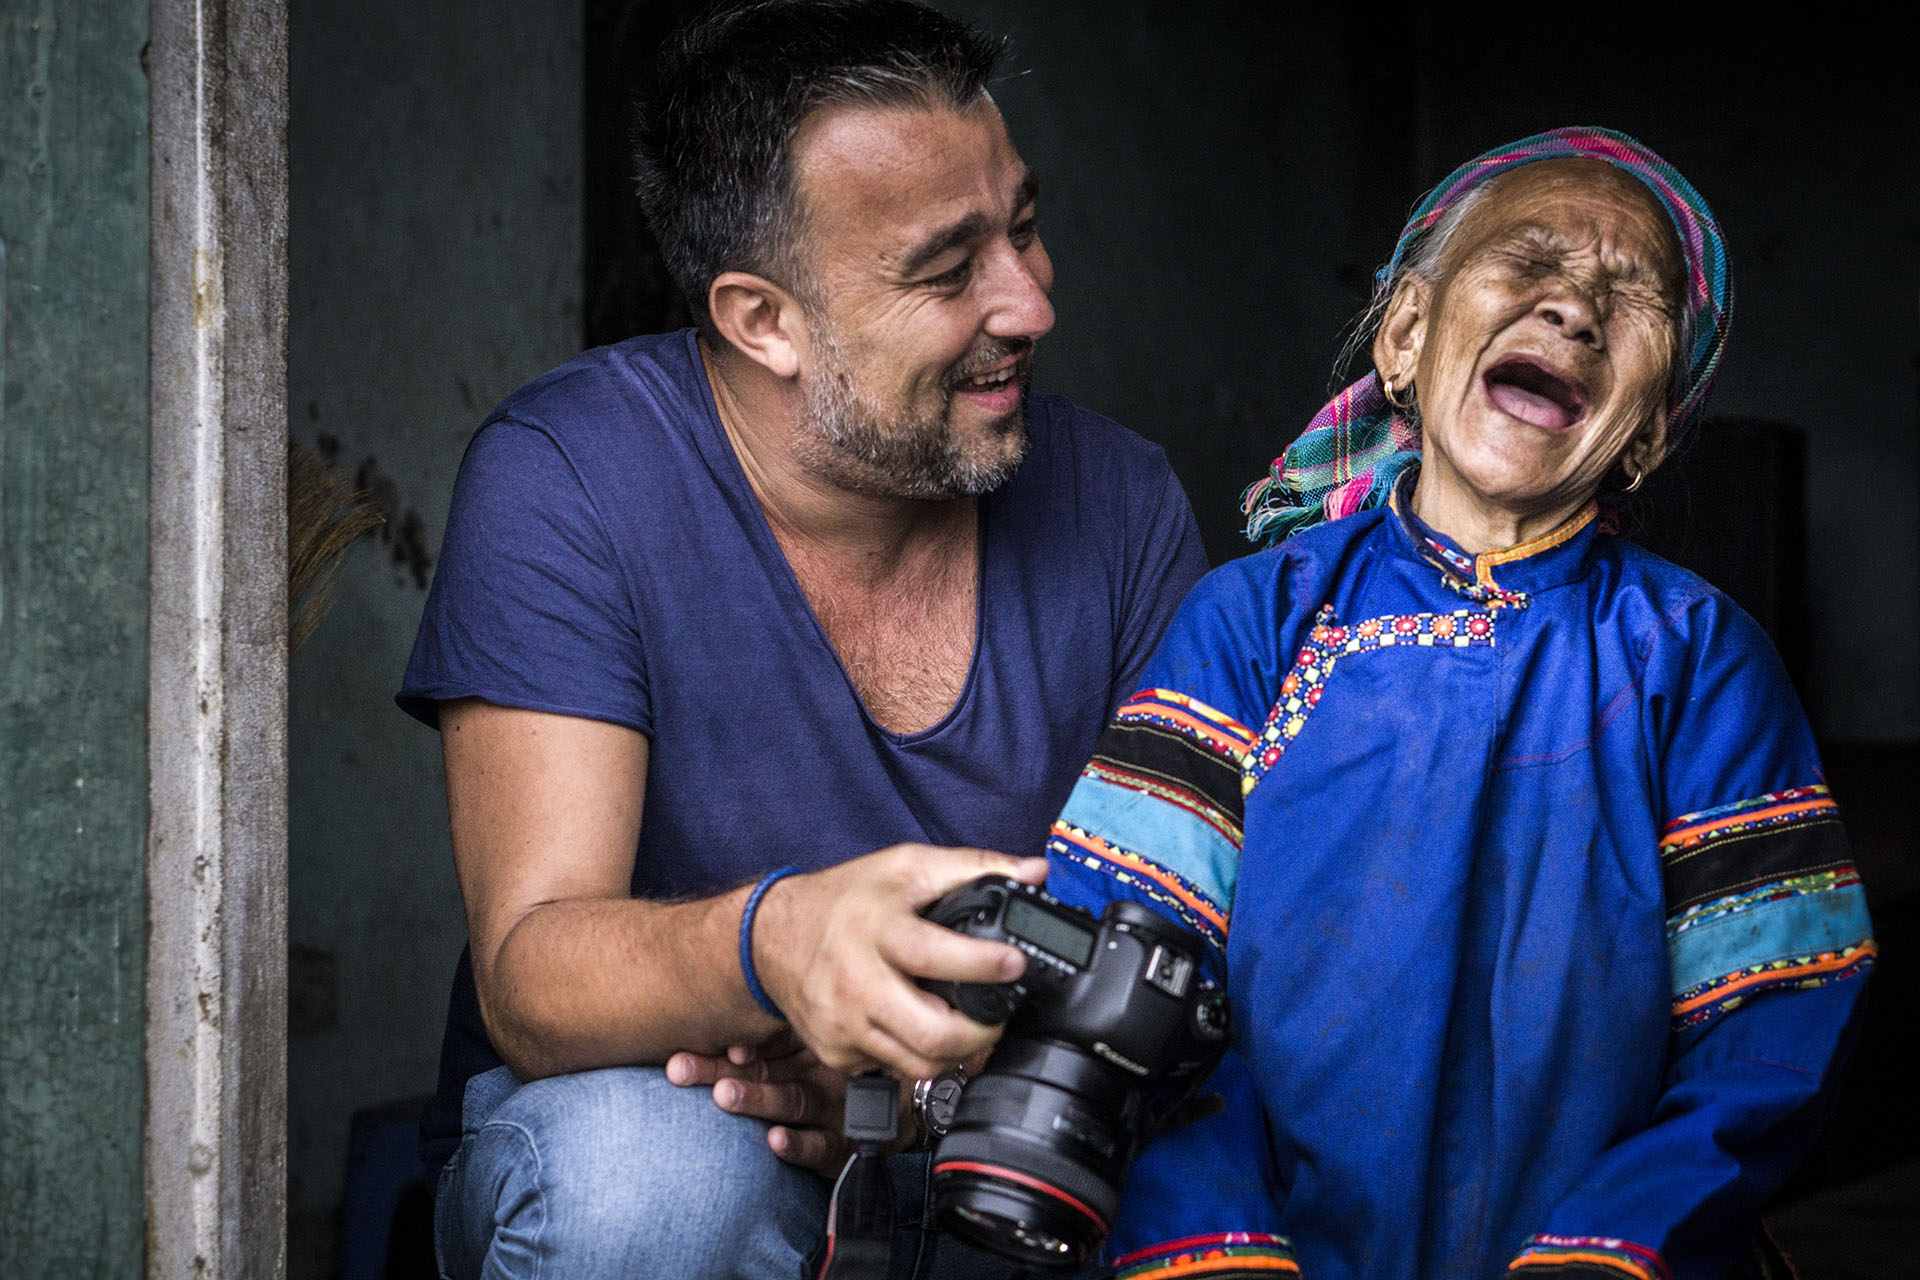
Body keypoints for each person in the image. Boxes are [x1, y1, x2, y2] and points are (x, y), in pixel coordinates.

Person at [396, 2, 1207, 1277]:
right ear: (763, 318)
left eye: (1027, 227)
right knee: (639, 1183)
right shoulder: (571, 474)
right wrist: (782, 945)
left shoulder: (1123, 505)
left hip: (1006, 1155)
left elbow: (1186, 967)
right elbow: (531, 976)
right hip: (696, 1140)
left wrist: (913, 1106)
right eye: (948, 271)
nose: (1030, 300)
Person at [1042, 128, 1874, 1280]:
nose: (1574, 309)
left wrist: (1615, 1247)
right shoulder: (1251, 625)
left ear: (1645, 430)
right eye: (1528, 261)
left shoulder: (1701, 659)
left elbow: (1773, 1016)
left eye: (1628, 298)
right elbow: (1128, 967)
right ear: (1405, 336)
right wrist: (1216, 1245)